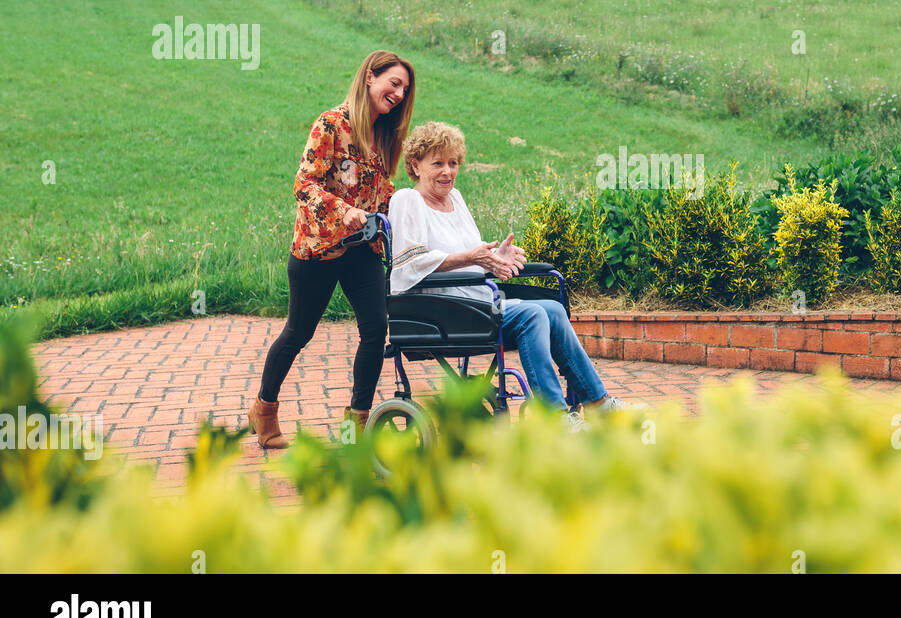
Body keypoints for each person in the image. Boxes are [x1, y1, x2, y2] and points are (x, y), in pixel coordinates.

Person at [388, 121, 639, 432]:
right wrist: (472, 257)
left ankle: (598, 405)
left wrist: (494, 260)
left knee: (554, 309)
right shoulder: (406, 200)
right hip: (440, 309)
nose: (447, 172)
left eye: (453, 163)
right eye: (437, 163)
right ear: (415, 164)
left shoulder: (457, 200)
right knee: (533, 314)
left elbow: (470, 258)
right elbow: (408, 267)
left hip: (475, 300)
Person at [248, 50, 416, 448]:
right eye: (394, 83)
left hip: (362, 251)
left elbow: (382, 192)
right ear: (370, 77)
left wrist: (409, 210)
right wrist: (345, 212)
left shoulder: (385, 137)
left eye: (405, 90)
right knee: (298, 332)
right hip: (317, 249)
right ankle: (264, 408)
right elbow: (304, 186)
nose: (398, 94)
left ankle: (353, 429)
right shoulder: (331, 124)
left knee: (376, 330)